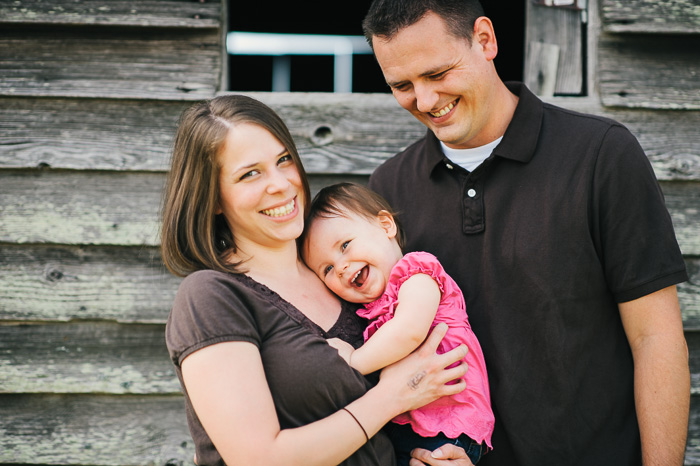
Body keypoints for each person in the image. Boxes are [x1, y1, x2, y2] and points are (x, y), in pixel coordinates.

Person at [361, 1, 690, 465]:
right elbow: (383, 349)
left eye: (438, 73)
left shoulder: (600, 155)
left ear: (485, 40)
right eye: (402, 85)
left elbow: (655, 338)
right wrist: (410, 451)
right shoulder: (387, 189)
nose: (426, 100)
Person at [160, 94, 472, 466]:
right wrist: (395, 395)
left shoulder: (342, 278)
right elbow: (258, 459)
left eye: (283, 160)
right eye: (250, 173)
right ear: (212, 197)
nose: (281, 184)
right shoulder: (211, 297)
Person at [301, 182, 494, 465]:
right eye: (327, 268)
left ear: (385, 225)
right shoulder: (370, 310)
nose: (340, 266)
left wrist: (353, 362)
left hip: (449, 424)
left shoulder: (417, 273)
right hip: (411, 425)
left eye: (344, 245)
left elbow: (410, 333)